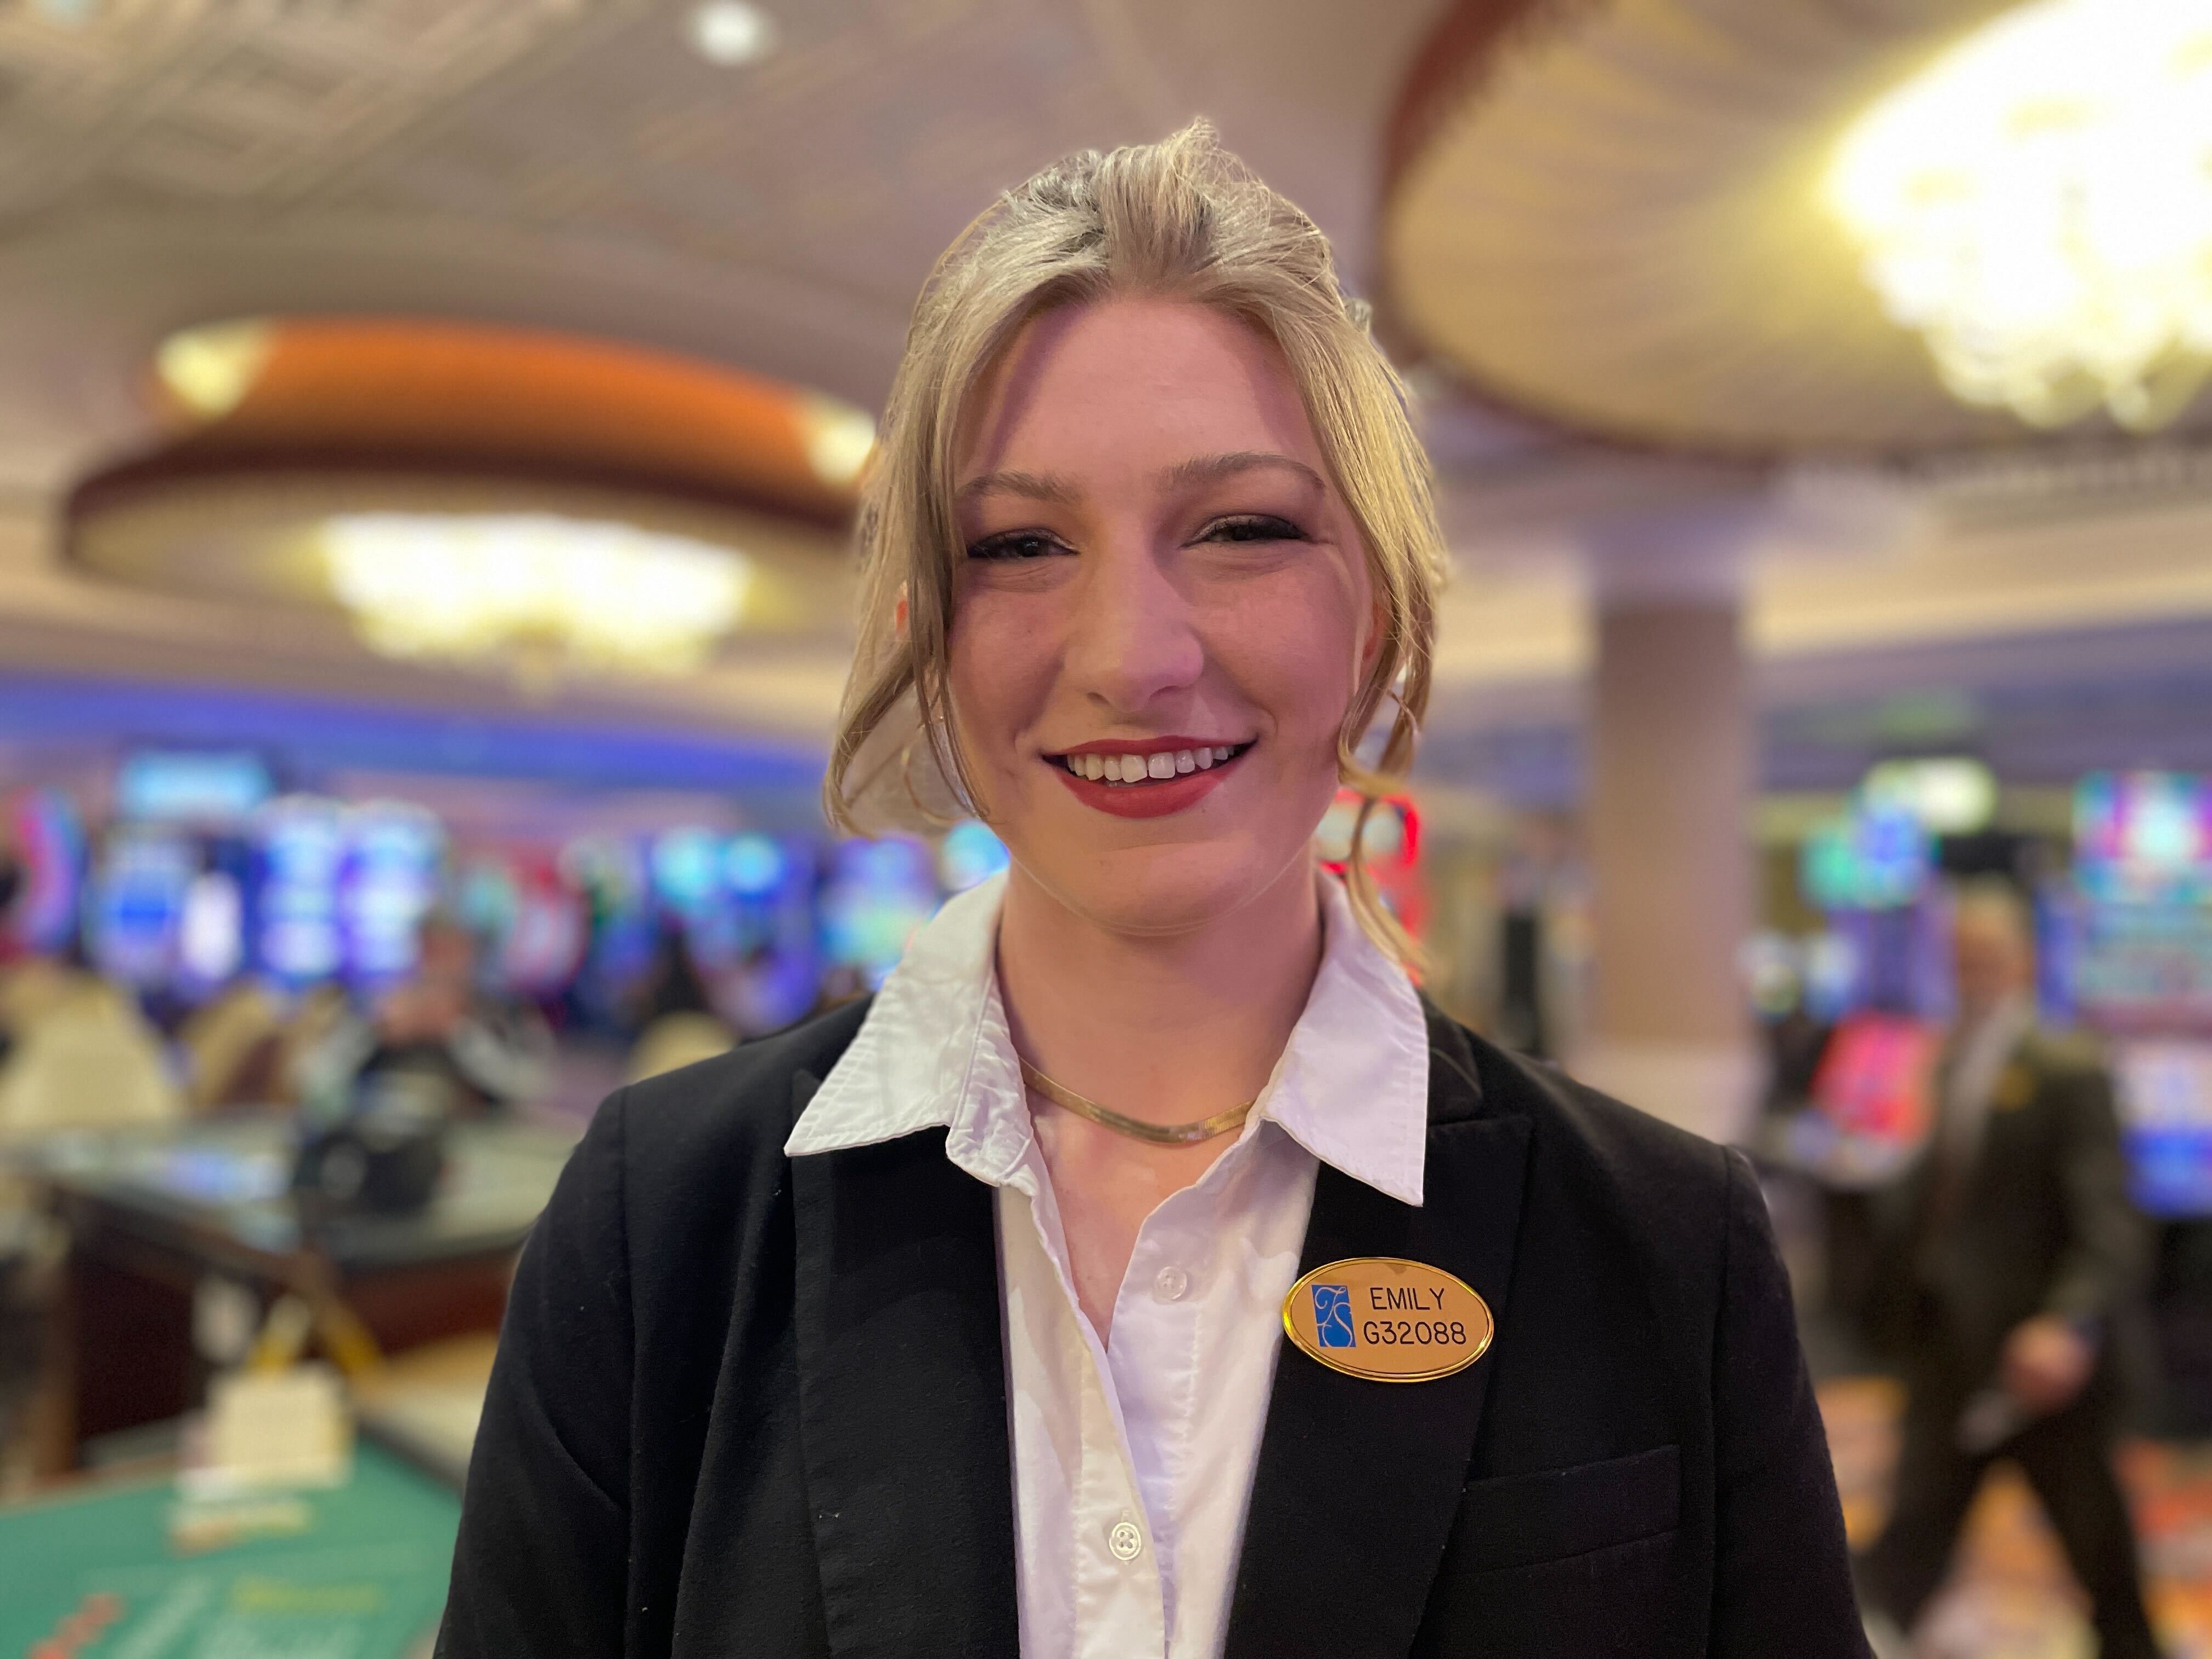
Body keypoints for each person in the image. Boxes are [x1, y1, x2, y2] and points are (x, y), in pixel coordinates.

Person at [438, 124, 1865, 1658]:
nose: (1133, 656)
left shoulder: (1663, 1240)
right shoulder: (666, 1215)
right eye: (1022, 543)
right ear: (931, 633)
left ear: (1374, 615)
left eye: (1243, 528)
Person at [1858, 880, 2156, 1656]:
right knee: (1913, 1532)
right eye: (1958, 955)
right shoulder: (1950, 1058)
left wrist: (2068, 1322)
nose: (1971, 969)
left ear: (2023, 958)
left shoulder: (2067, 1065)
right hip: (1950, 1345)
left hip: (2044, 1365)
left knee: (2102, 1557)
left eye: (1987, 953)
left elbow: (2112, 1226)